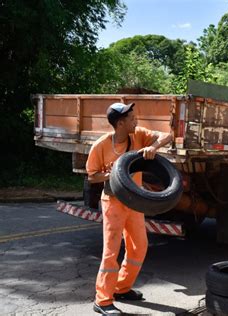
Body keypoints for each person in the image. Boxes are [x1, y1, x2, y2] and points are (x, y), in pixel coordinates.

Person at [86, 102, 172, 315]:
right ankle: (102, 300)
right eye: (132, 119)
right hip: (113, 202)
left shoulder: (139, 136)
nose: (137, 121)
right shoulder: (101, 145)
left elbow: (168, 135)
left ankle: (122, 288)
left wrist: (153, 147)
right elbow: (92, 175)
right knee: (111, 252)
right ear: (121, 123)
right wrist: (113, 174)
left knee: (139, 247)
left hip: (135, 203)